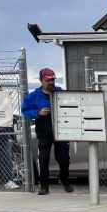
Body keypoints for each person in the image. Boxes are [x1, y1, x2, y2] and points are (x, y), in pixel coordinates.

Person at [21, 67, 73, 195]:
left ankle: (64, 178)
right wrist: (37, 113)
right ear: (41, 80)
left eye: (52, 79)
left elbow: (71, 104)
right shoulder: (33, 96)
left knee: (64, 158)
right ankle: (44, 186)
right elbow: (25, 110)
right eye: (48, 80)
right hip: (44, 129)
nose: (51, 82)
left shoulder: (59, 92)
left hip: (60, 128)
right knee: (43, 158)